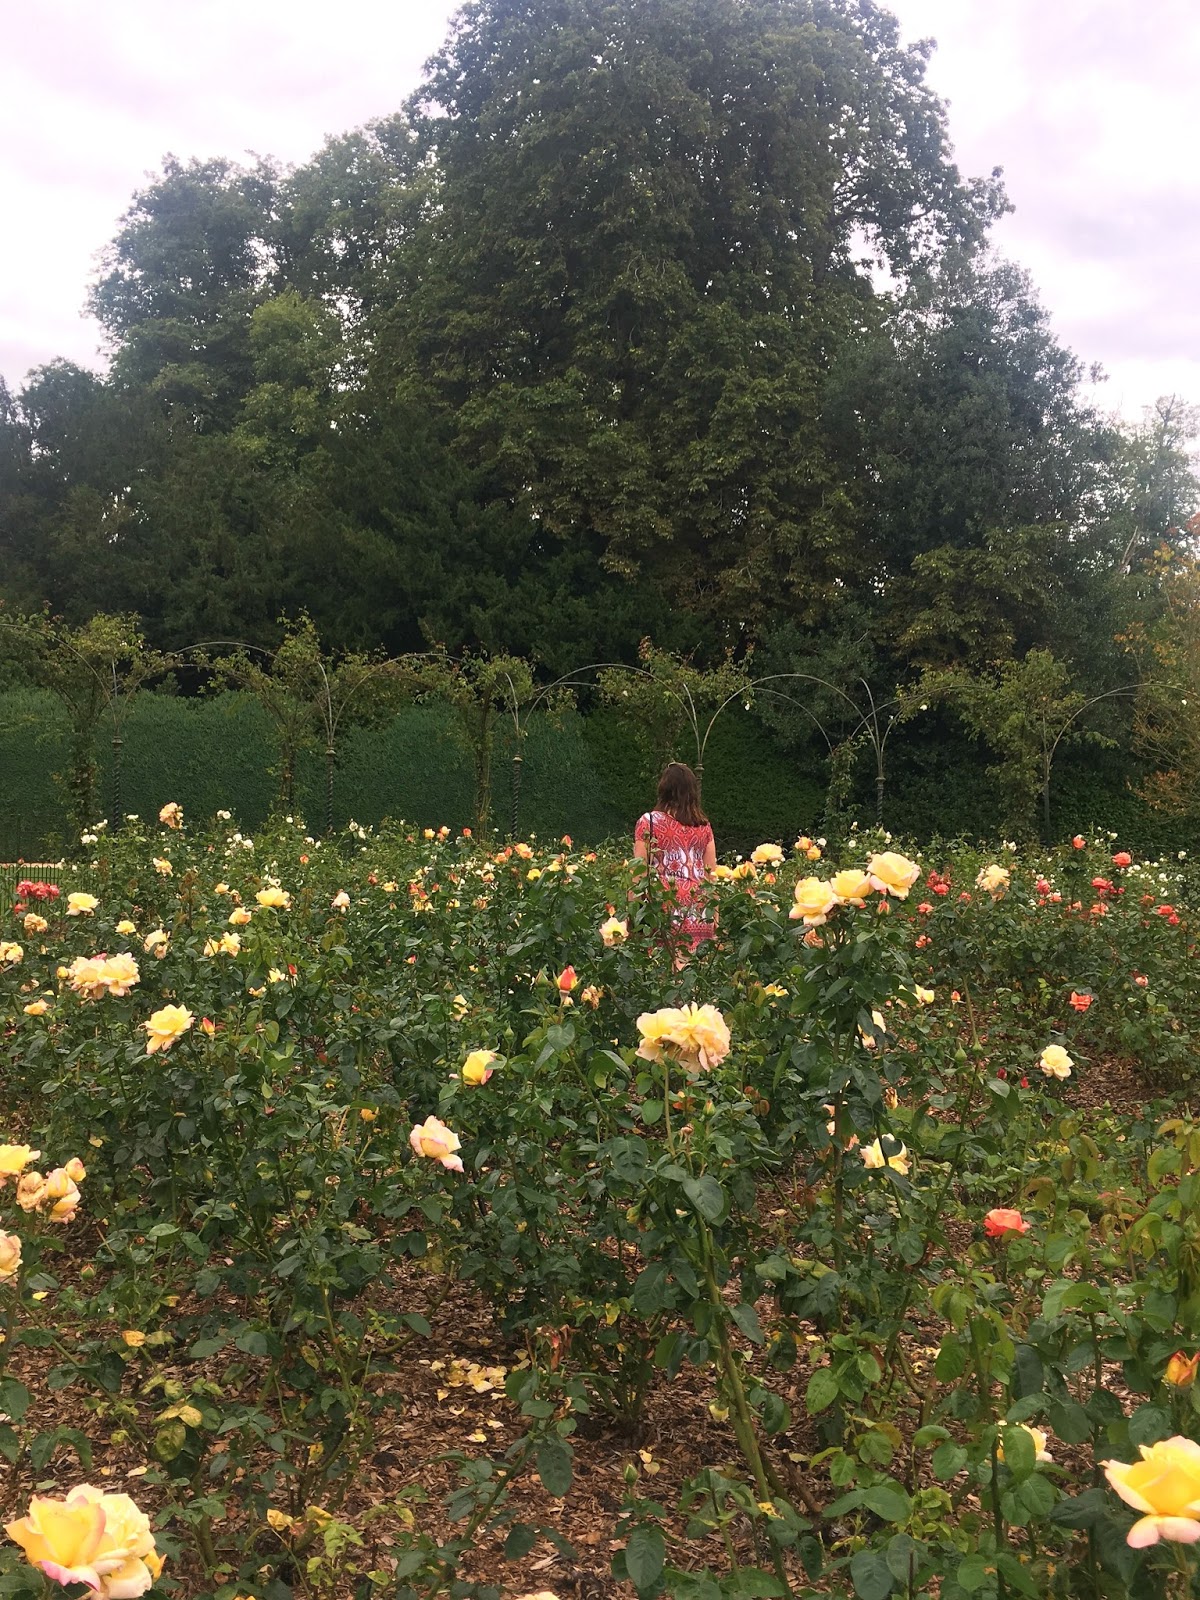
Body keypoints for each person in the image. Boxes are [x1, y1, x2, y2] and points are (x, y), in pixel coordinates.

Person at [633, 762, 717, 954]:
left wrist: (633, 918)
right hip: (699, 909)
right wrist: (716, 921)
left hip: (664, 906)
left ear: (663, 789)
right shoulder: (704, 826)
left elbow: (637, 873)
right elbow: (711, 877)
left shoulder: (649, 822)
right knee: (695, 967)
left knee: (665, 966)